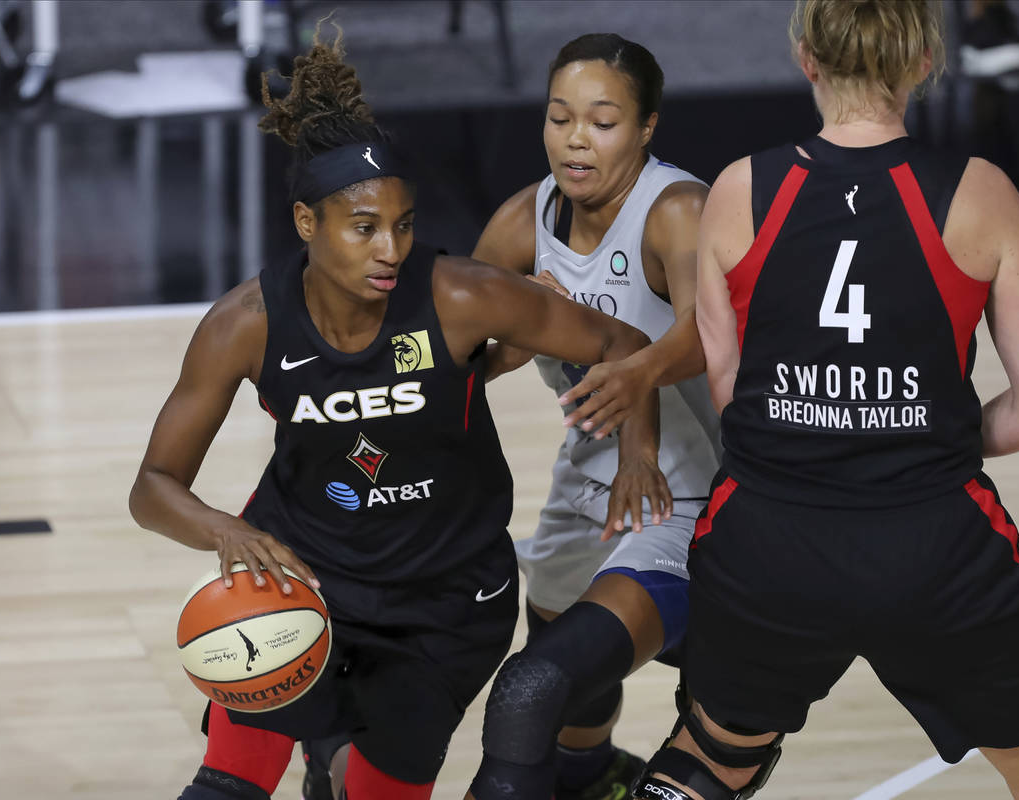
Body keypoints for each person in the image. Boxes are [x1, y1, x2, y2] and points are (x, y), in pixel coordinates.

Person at [127, 25, 672, 800]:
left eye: (403, 223)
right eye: (363, 228)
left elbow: (623, 339)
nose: (390, 248)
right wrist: (229, 531)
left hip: (446, 600)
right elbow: (153, 485)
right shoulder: (245, 324)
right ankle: (325, 739)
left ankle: (337, 753)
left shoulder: (460, 294)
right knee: (226, 788)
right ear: (306, 225)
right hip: (304, 572)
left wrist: (638, 454)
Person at [630, 1, 1019, 799]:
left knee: (709, 763)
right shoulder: (980, 194)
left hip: (767, 543)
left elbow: (732, 397)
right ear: (926, 61)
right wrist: (926, 432)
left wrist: (827, 424)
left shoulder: (738, 190)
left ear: (805, 57)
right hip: (935, 549)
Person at [463, 33, 721, 800]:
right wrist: (511, 344)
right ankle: (590, 772)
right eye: (559, 117)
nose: (576, 138)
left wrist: (631, 363)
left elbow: (710, 333)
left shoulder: (677, 211)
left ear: (645, 129)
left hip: (687, 493)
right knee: (554, 646)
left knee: (533, 687)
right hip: (589, 478)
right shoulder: (521, 221)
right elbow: (462, 349)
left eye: (603, 122)